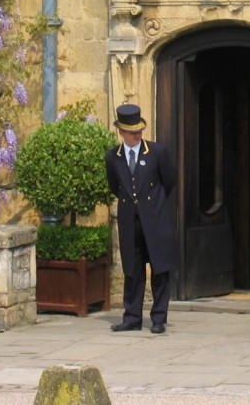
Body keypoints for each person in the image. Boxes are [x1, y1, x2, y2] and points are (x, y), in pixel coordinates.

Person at [104, 103, 177, 333]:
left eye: (139, 131)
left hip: (155, 218)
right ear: (121, 132)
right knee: (132, 270)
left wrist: (152, 204)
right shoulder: (112, 157)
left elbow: (169, 182)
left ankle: (158, 318)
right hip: (129, 221)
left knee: (160, 268)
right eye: (132, 132)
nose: (136, 135)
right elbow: (115, 187)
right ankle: (132, 317)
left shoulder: (157, 152)